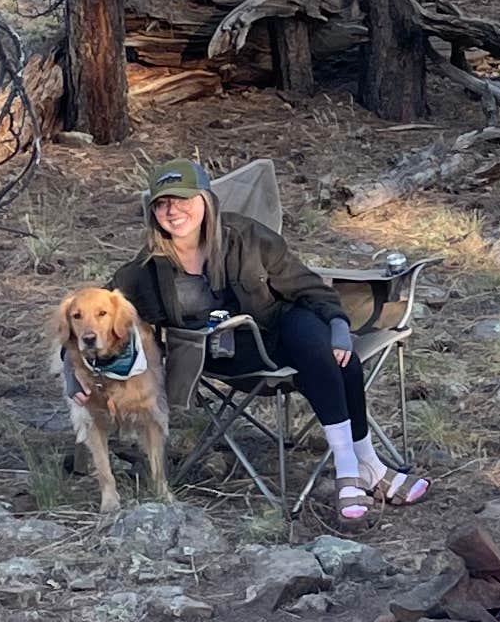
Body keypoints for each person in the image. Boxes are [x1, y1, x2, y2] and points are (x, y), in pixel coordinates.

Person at [109, 160, 428, 523]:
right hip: (230, 357)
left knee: (330, 351)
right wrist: (81, 375)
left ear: (207, 200)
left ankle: (349, 470)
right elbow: (97, 313)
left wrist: (338, 323)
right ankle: (367, 466)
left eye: (183, 199)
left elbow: (305, 285)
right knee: (331, 359)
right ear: (153, 212)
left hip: (280, 327)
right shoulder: (144, 270)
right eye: (162, 203)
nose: (173, 210)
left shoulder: (246, 236)